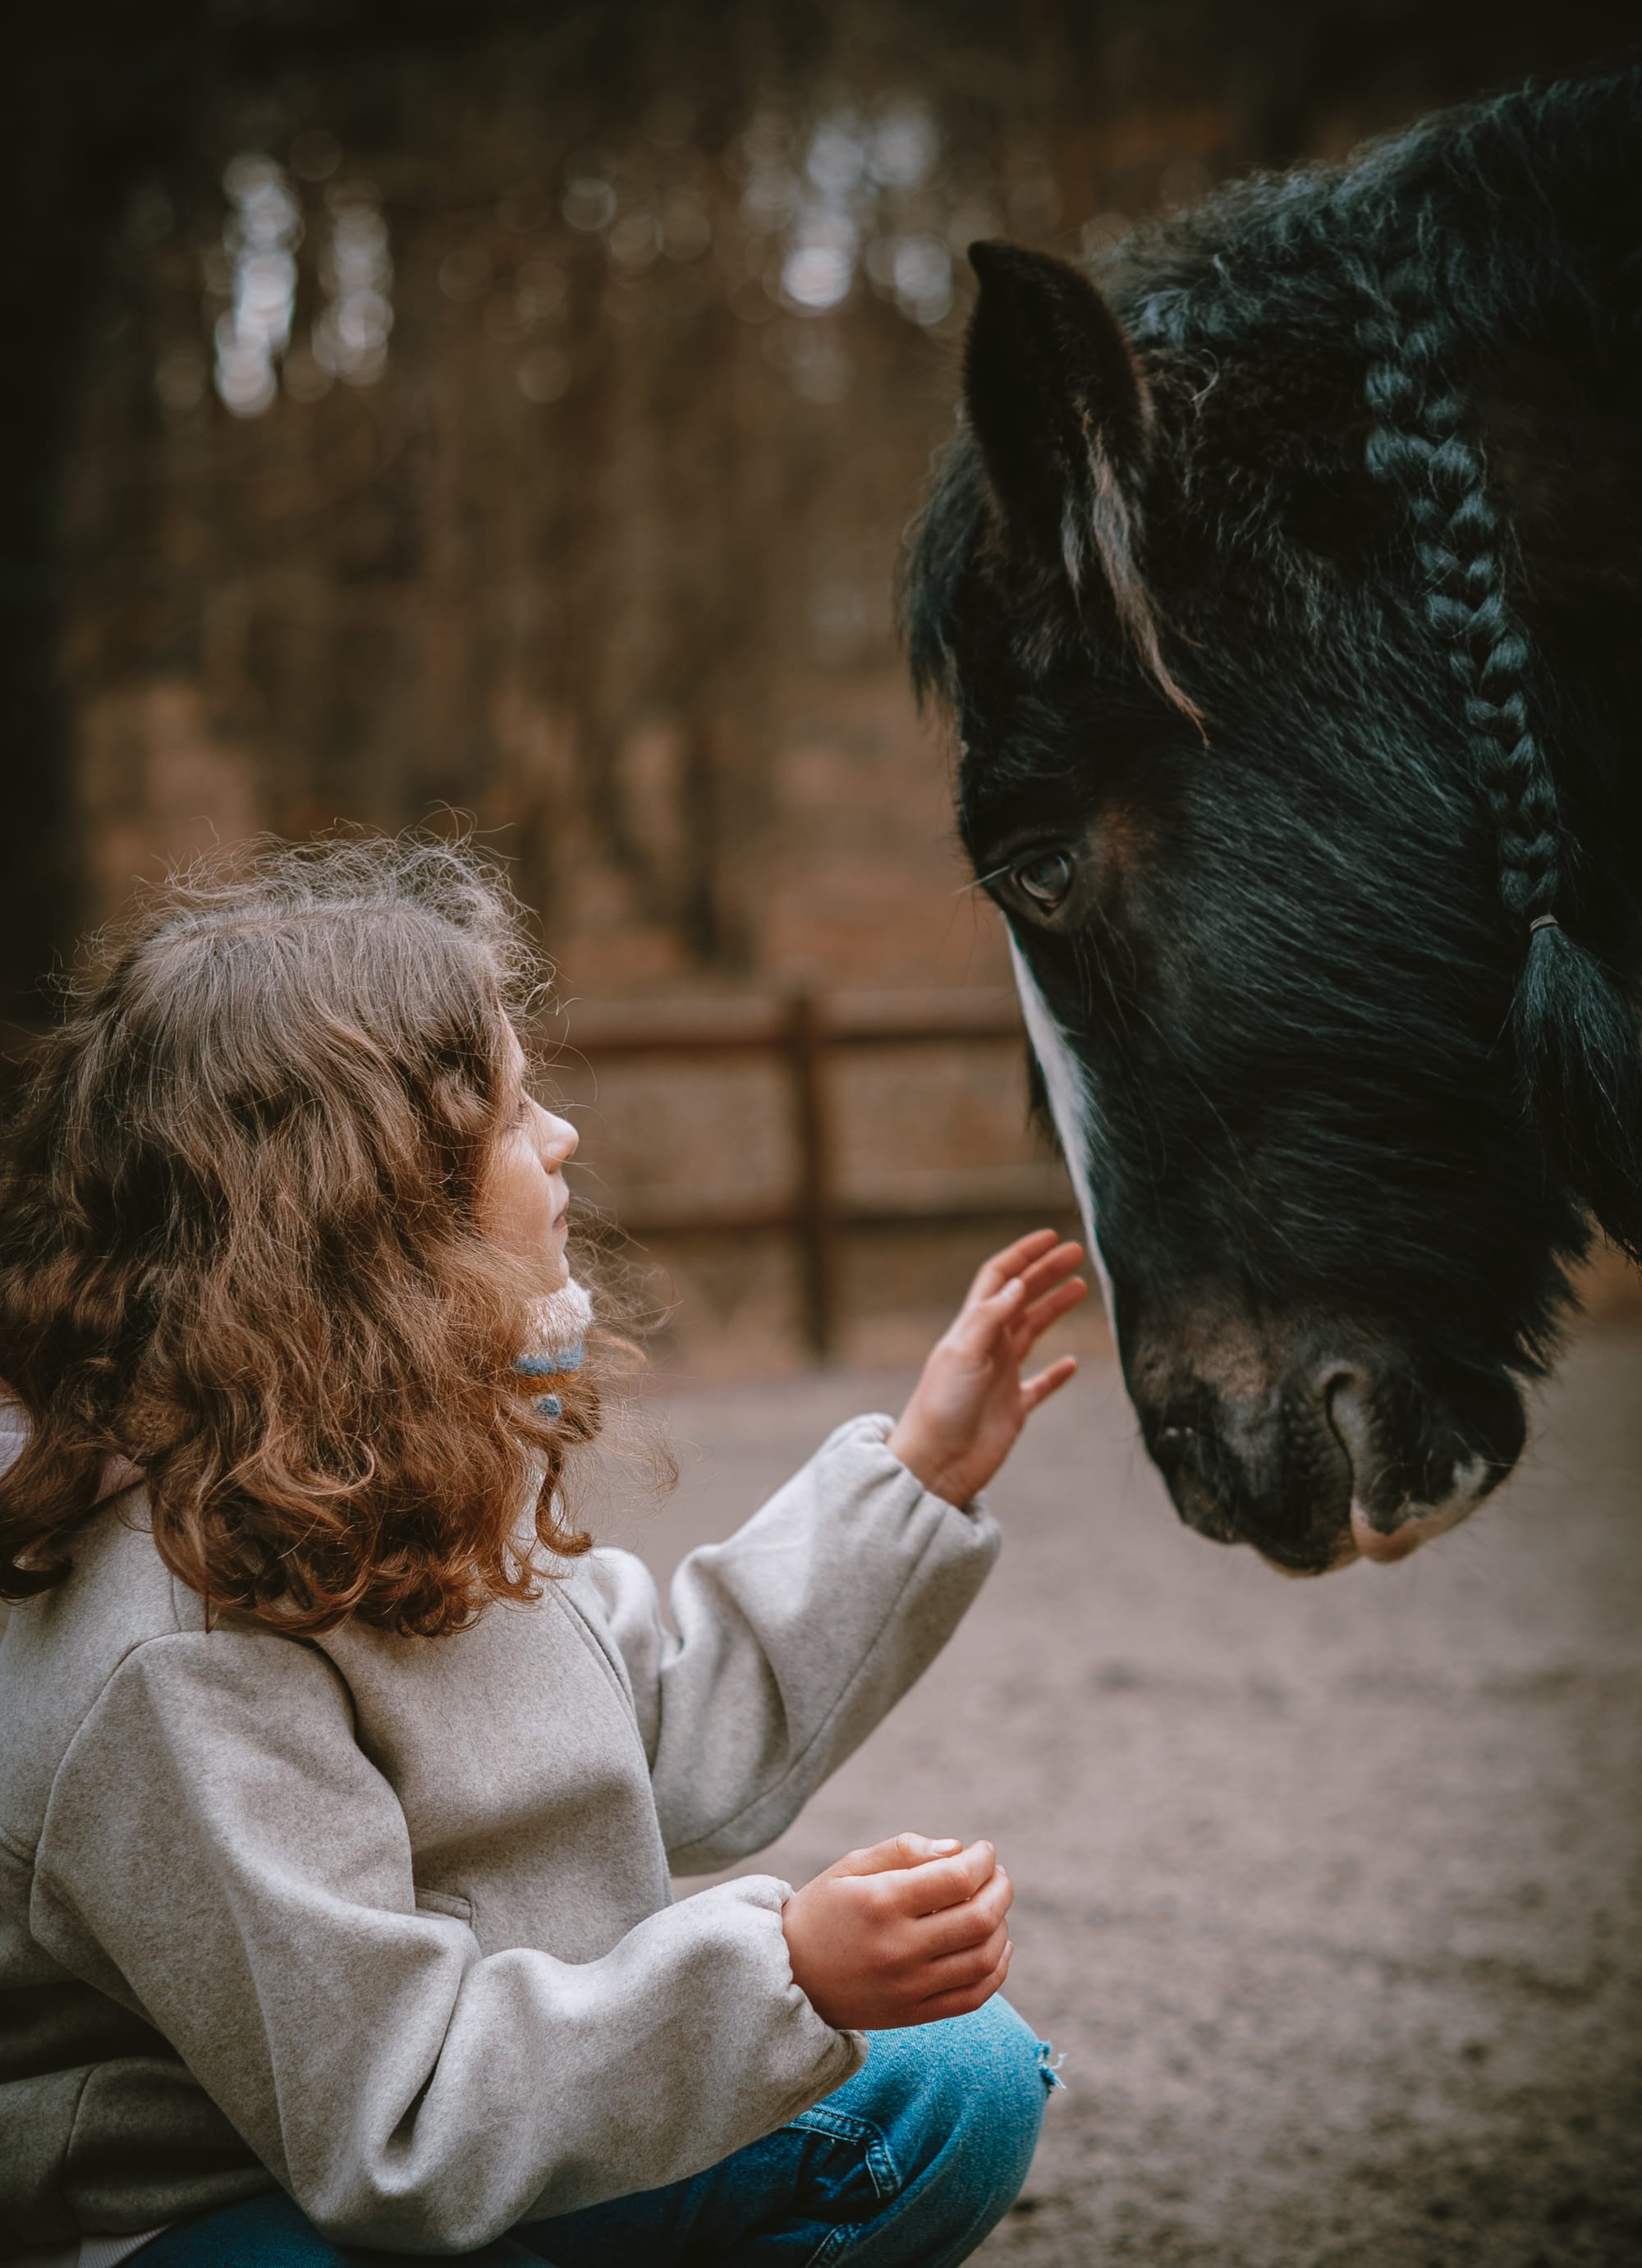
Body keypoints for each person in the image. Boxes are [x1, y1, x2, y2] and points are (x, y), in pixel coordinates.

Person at [0, 837, 1085, 2268]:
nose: (563, 1137)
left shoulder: (392, 1461)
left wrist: (922, 1478)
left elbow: (673, 1724)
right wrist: (778, 1974)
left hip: (503, 2121)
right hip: (239, 2210)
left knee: (961, 2079)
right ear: (373, 1209)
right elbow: (394, 2123)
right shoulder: (170, 1656)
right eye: (514, 1116)